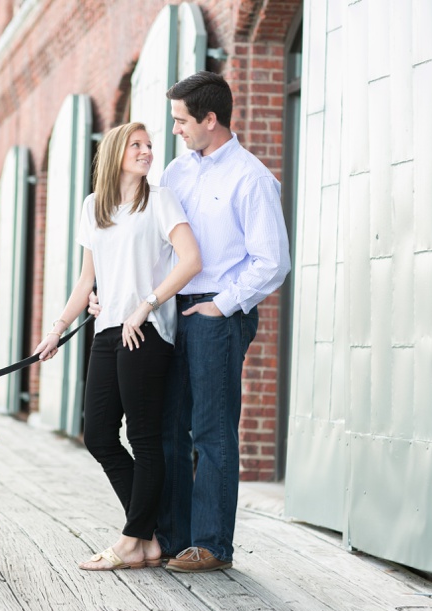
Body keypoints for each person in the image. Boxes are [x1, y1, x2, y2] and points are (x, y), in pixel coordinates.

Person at [90, 71, 291, 572]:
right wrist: (111, 297)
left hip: (218, 314)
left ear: (210, 119)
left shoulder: (252, 178)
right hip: (169, 311)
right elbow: (150, 240)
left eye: (182, 120)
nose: (174, 129)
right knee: (165, 428)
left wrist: (222, 305)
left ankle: (211, 543)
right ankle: (171, 536)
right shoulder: (177, 174)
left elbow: (273, 261)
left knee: (210, 430)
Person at [34, 122, 201, 571]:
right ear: (115, 153)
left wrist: (146, 305)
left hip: (145, 331)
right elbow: (86, 281)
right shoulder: (94, 207)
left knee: (143, 438)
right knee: (100, 436)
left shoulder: (160, 200)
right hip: (106, 329)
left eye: (150, 146)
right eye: (138, 145)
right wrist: (57, 329)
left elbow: (191, 260)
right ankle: (146, 536)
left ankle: (133, 540)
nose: (148, 151)